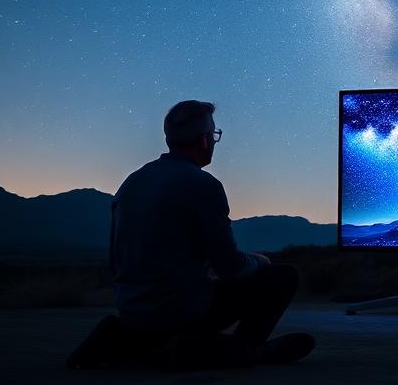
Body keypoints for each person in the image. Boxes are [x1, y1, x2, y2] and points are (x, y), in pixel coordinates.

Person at [69, 100, 314, 370]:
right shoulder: (203, 185)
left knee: (183, 302)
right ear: (205, 140)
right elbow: (230, 266)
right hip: (179, 309)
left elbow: (115, 261)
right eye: (214, 134)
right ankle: (240, 350)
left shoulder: (131, 183)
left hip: (131, 310)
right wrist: (260, 261)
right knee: (283, 277)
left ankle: (129, 338)